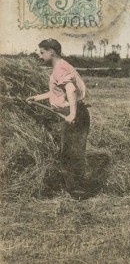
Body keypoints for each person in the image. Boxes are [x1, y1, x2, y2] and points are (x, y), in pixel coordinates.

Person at [26, 38, 89, 197]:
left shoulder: (60, 68)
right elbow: (58, 92)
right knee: (71, 151)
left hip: (75, 114)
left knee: (71, 153)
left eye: (42, 52)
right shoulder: (62, 66)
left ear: (51, 52)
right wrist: (38, 97)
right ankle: (75, 189)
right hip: (76, 112)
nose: (40, 56)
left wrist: (72, 114)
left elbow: (71, 90)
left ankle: (77, 192)